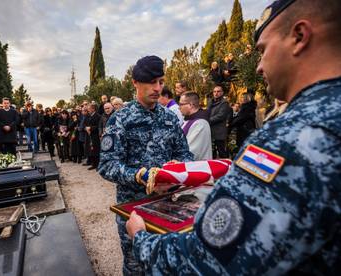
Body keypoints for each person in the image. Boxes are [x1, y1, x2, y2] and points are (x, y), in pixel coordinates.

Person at [125, 0, 341, 274]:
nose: (259, 66)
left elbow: (209, 262)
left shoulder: (289, 139)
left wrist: (143, 240)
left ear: (299, 36)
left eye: (262, 50)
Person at [98, 55, 193, 276]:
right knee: (136, 267)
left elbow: (185, 154)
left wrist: (175, 172)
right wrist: (139, 176)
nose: (157, 88)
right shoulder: (121, 119)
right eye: (151, 82)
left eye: (160, 81)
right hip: (133, 209)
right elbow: (107, 165)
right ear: (135, 83)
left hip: (168, 207)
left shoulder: (170, 118)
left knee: (167, 266)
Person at [179, 92, 212, 160]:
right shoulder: (188, 120)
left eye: (181, 104)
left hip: (197, 167)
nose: (179, 108)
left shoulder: (201, 123)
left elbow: (191, 151)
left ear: (191, 105)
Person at [208, 86, 231, 158]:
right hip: (210, 130)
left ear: (222, 93)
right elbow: (207, 113)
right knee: (211, 152)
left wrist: (208, 120)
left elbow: (221, 116)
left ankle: (226, 167)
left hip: (219, 132)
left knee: (222, 152)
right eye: (214, 91)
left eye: (218, 91)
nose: (216, 93)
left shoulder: (224, 103)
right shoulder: (210, 102)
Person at [85, 103, 101, 170]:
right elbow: (85, 124)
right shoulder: (88, 116)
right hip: (89, 135)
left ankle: (97, 165)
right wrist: (86, 128)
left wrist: (90, 128)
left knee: (96, 150)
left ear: (93, 109)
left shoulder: (98, 116)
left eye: (89, 108)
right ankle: (93, 164)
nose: (88, 110)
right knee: (91, 150)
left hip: (95, 136)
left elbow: (98, 126)